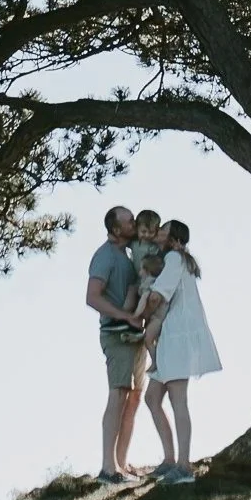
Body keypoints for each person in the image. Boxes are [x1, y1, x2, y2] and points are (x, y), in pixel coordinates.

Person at [141, 219, 221, 484]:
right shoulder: (172, 260)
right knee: (153, 398)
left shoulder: (175, 258)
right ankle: (169, 460)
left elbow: (157, 296)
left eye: (163, 231)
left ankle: (184, 466)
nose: (158, 234)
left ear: (174, 239)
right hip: (169, 337)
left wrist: (140, 315)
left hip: (178, 336)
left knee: (178, 400)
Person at [85, 204, 147, 482]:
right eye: (129, 221)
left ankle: (121, 463)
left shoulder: (130, 253)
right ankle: (108, 468)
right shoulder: (105, 256)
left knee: (134, 397)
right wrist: (125, 316)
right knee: (118, 394)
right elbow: (92, 297)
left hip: (136, 336)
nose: (133, 223)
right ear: (115, 229)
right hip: (116, 333)